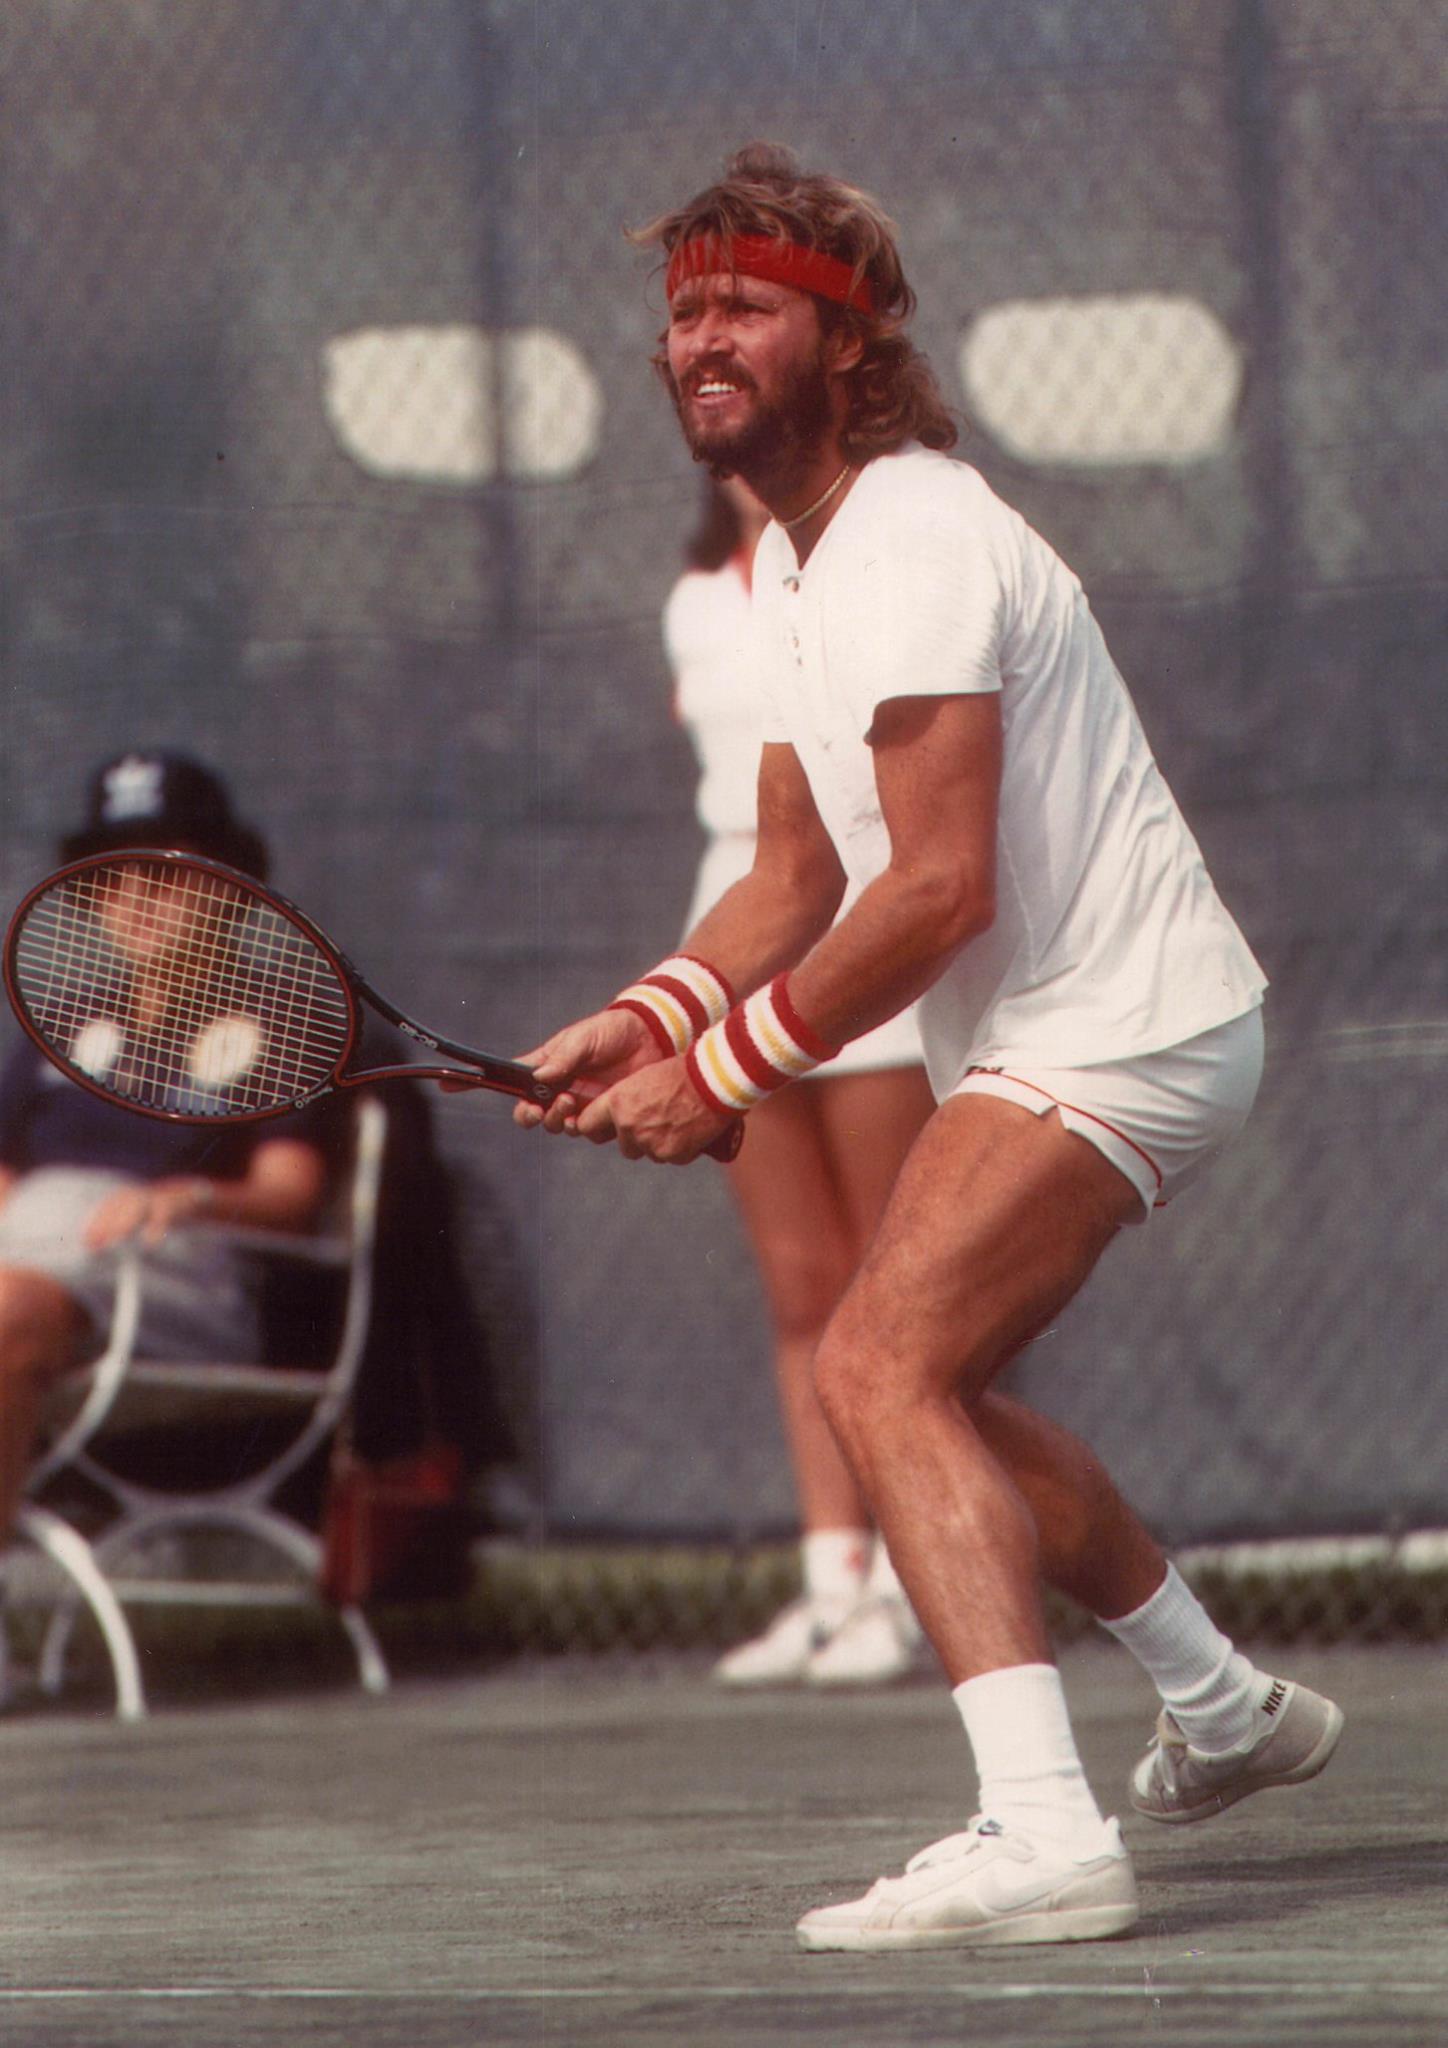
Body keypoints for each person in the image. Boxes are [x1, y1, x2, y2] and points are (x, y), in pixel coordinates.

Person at [514, 143, 1345, 1951]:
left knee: (875, 1360)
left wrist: (721, 1078)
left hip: (1117, 1020)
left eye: (743, 308)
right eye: (680, 314)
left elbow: (939, 885)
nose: (697, 341)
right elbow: (793, 873)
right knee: (925, 1388)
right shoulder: (790, 562)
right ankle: (1220, 1709)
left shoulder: (909, 535)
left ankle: (1043, 1830)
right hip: (1083, 1024)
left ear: (850, 340)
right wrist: (651, 1014)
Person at [666, 473, 934, 1686]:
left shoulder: (869, 569)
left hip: (862, 918)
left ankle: (909, 1584)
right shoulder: (689, 598)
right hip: (734, 925)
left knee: (896, 1281)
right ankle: (832, 1580)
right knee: (798, 1284)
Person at [0, 751, 353, 1547]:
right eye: (112, 877)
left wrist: (186, 1199)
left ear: (227, 885)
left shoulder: (283, 1020)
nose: (136, 898)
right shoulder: (61, 1021)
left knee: (6, 1311)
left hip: (170, 1275)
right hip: (24, 1254)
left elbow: (290, 1194)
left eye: (164, 872)